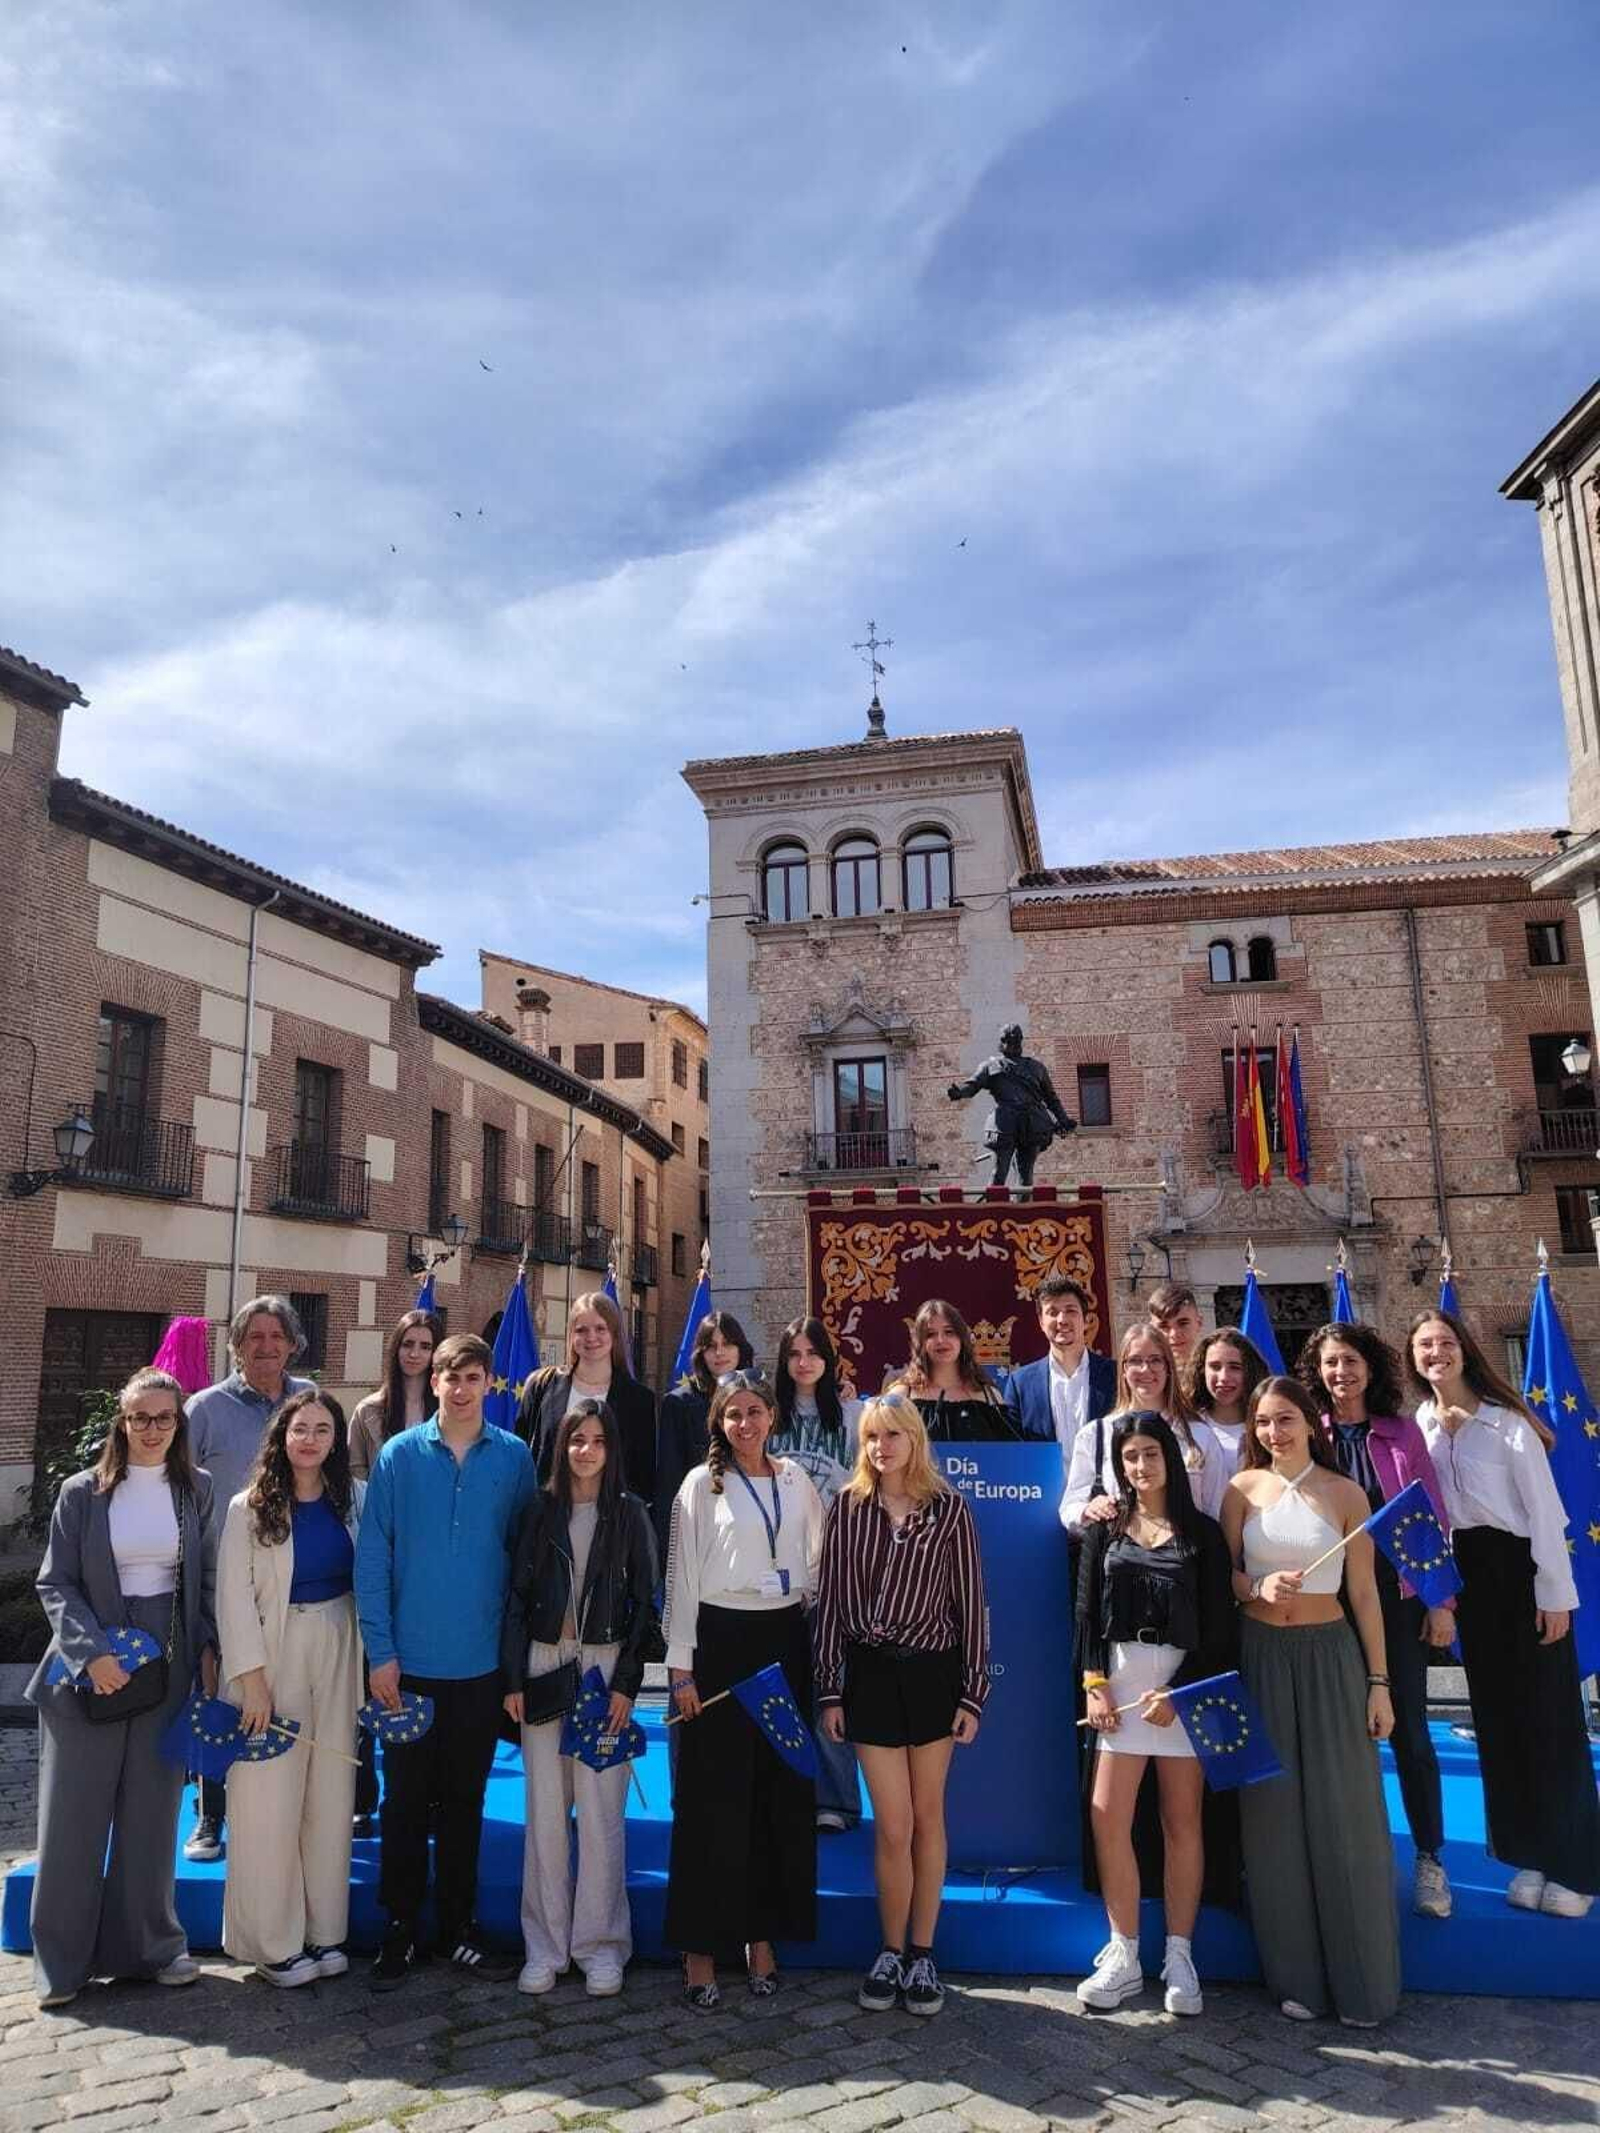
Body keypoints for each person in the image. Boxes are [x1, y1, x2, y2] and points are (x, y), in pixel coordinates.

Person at [27, 1369, 218, 2007]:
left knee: (152, 1816)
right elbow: (56, 1582)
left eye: (165, 1418)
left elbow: (206, 1582)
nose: (152, 1429)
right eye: (141, 1418)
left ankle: (151, 1949)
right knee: (73, 1818)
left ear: (179, 1424)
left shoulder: (198, 1490)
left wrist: (210, 1654)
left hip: (168, 1668)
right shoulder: (82, 1492)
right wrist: (93, 1655)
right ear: (122, 1420)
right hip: (88, 1672)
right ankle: (61, 1964)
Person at [355, 1332, 536, 1988]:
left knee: (466, 1802)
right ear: (431, 1381)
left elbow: (525, 1564)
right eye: (447, 1376)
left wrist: (515, 1667)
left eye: (472, 1376)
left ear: (490, 1382)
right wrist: (381, 1652)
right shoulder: (399, 1456)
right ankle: (399, 1926)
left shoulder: (515, 1458)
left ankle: (459, 1925)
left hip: (481, 1667)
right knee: (403, 1802)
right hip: (409, 1667)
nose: (459, 1388)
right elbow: (372, 1554)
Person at [1220, 1377, 1400, 2027]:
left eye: (1286, 1418)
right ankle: (1295, 1976)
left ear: (1309, 1422)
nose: (1275, 1432)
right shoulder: (1240, 1491)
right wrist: (1255, 1585)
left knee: (1343, 1809)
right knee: (1272, 1815)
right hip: (1261, 1654)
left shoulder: (1346, 1493)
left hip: (1331, 1658)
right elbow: (1224, 1578)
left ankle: (1362, 1983)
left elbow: (1366, 1596)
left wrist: (1379, 1683)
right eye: (1264, 1422)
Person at [1409, 1309, 1599, 1919]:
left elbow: (1546, 1512)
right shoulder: (1423, 1424)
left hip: (1522, 1574)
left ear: (1464, 1349)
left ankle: (1576, 1867)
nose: (1435, 1353)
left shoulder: (1508, 1423)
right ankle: (1530, 1855)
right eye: (1423, 1346)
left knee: (1551, 1720)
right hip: (1471, 1581)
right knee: (1499, 1722)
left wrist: (1554, 1593)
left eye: (1443, 1342)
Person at [813, 1394, 987, 2018]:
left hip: (934, 1677)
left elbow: (972, 1607)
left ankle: (923, 1952)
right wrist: (830, 1688)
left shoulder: (950, 1512)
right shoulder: (847, 1509)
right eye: (871, 1437)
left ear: (914, 1438)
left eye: (892, 1435)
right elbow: (829, 1604)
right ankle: (889, 1949)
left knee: (927, 1816)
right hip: (869, 1676)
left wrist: (972, 1693)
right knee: (891, 1824)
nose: (881, 1447)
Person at [664, 1371, 823, 2008]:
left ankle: (761, 1936)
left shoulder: (795, 1480)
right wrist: (681, 1667)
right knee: (711, 1801)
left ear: (773, 1416)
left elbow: (819, 1558)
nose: (745, 1424)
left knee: (774, 1798)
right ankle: (701, 1947)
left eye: (755, 1412)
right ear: (719, 1423)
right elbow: (679, 1579)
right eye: (733, 1415)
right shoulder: (702, 1485)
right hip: (719, 1646)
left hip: (783, 1643)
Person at [1074, 1413, 1236, 2017]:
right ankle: (1122, 1953)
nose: (1140, 1467)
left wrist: (1183, 1692)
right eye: (1129, 1457)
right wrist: (1094, 1685)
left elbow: (1222, 1628)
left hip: (1179, 1694)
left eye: (1149, 1454)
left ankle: (1179, 1953)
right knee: (1107, 1817)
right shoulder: (1104, 1530)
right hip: (1118, 1687)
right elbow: (1086, 1614)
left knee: (1180, 1822)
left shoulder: (1205, 1535)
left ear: (1169, 1456)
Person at [501, 1399, 658, 1997]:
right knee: (544, 1814)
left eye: (597, 1440)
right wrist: (513, 1678)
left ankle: (600, 1946)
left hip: (604, 1669)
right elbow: (515, 1598)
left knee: (599, 1816)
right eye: (576, 1440)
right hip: (546, 1665)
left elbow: (647, 1606)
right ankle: (544, 1944)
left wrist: (626, 1686)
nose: (586, 1450)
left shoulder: (630, 1515)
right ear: (561, 1446)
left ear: (611, 1449)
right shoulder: (538, 1512)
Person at [1299, 1321, 1455, 1921]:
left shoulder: (1401, 1433)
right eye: (1331, 1363)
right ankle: (1350, 1861)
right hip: (1327, 1604)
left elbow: (1433, 1516)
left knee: (1411, 1732)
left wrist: (1440, 1602)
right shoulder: (1310, 1435)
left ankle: (1430, 1858)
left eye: (1351, 1361)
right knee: (1338, 1734)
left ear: (1371, 1367)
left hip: (1397, 1598)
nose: (1341, 1373)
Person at [216, 1390, 364, 1986]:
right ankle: (273, 1942)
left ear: (335, 1441)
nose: (310, 1439)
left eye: (322, 1430)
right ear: (282, 1436)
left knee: (330, 1798)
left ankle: (323, 1931)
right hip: (273, 1657)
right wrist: (251, 1683)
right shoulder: (247, 1508)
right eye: (300, 1428)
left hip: (337, 1646)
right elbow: (232, 1601)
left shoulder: (352, 1499)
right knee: (268, 1802)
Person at [182, 1294, 314, 1862]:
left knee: (278, 1695)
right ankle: (211, 1815)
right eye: (254, 1337)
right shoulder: (204, 1409)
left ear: (291, 1344)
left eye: (275, 1337)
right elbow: (180, 1495)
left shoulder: (307, 1401)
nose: (266, 1347)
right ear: (236, 1346)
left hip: (291, 1585)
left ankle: (283, 1809)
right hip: (221, 1580)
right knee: (218, 1698)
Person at [770, 1316, 864, 1835]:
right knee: (780, 1684)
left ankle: (838, 1799)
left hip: (835, 1568)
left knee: (831, 1686)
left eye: (812, 1352)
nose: (804, 1362)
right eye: (794, 1353)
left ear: (828, 1359)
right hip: (778, 1571)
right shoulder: (771, 1415)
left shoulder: (851, 1415)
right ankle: (785, 1792)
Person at [1060, 1324, 1228, 1531]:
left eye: (1155, 1360)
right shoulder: (1095, 1435)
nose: (1146, 1370)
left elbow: (1217, 1510)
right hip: (1121, 1557)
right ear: (1123, 1369)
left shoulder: (1199, 1435)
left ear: (1168, 1368)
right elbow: (1069, 1507)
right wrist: (1088, 1509)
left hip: (1187, 1557)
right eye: (1135, 1361)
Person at [516, 1292, 657, 1503]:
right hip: (547, 1518)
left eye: (600, 1328)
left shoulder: (639, 1400)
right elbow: (522, 1455)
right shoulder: (541, 1386)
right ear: (571, 1336)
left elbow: (642, 1476)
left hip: (612, 1523)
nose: (591, 1337)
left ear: (615, 1334)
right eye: (581, 1330)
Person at [653, 1310, 754, 1559]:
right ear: (701, 1353)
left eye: (727, 1344)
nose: (719, 1353)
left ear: (740, 1348)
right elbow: (668, 1484)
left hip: (749, 1527)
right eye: (711, 1346)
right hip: (697, 1532)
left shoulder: (758, 1399)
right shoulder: (678, 1404)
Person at [946, 1021, 1076, 1188]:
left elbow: (1051, 1098)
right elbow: (972, 1085)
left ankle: (1021, 1212)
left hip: (1032, 1123)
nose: (1011, 1044)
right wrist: (959, 1092)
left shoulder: (1036, 1068)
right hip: (1005, 1123)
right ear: (1003, 1041)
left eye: (1014, 1040)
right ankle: (993, 1212)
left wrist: (1063, 1120)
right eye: (1008, 1040)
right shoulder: (991, 1066)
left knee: (1025, 1175)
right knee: (1000, 1171)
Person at [1006, 1276, 1116, 1471]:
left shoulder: (1115, 1376)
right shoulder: (1020, 1384)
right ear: (1041, 1321)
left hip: (1105, 1498)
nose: (1062, 1319)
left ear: (1085, 1319)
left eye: (1071, 1311)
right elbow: (1013, 1452)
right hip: (1045, 1498)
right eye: (1052, 1312)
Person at [887, 1300, 1020, 1443]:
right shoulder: (901, 1397)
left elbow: (1009, 1456)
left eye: (949, 1332)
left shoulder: (989, 1397)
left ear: (962, 1339)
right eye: (930, 1334)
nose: (940, 1340)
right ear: (921, 1343)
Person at [349, 1310, 441, 1481]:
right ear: (396, 1348)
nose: (414, 1354)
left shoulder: (447, 1409)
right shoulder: (367, 1410)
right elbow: (356, 1472)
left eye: (425, 1347)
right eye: (407, 1344)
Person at [1190, 1328, 1270, 1474]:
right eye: (1215, 1367)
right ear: (1202, 1370)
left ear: (1250, 1371)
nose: (1224, 1377)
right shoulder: (1185, 1427)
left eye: (1235, 1367)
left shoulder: (1269, 1427)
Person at [1147, 1285, 1205, 1385]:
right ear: (1152, 1330)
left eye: (1183, 1323)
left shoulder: (1217, 1376)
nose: (1174, 1334)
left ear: (1199, 1323)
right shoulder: (1144, 1381)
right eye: (1164, 1326)